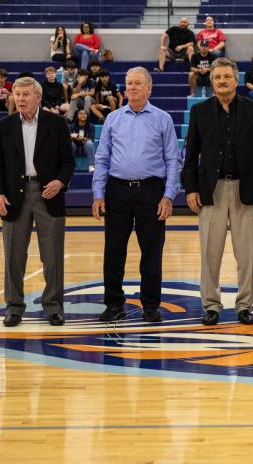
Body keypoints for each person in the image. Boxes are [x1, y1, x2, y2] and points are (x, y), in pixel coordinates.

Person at [184, 58, 253, 326]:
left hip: (245, 189)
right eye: (217, 78)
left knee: (246, 253)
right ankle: (211, 305)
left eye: (226, 77)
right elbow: (191, 156)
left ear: (236, 80)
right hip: (210, 190)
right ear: (211, 82)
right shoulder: (199, 111)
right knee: (210, 252)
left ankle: (244, 305)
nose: (222, 81)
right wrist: (190, 189)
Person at [92, 67, 181, 324]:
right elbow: (102, 158)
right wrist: (98, 193)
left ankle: (151, 306)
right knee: (114, 252)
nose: (131, 87)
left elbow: (173, 160)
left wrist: (168, 196)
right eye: (129, 83)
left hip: (151, 191)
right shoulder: (113, 119)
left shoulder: (162, 119)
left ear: (149, 88)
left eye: (138, 83)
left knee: (152, 252)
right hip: (117, 191)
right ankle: (113, 304)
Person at [0, 76, 74, 327]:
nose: (21, 99)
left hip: (49, 193)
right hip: (14, 196)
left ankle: (54, 307)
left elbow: (68, 162)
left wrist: (60, 182)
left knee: (52, 257)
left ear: (38, 97)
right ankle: (14, 307)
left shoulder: (57, 124)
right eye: (17, 94)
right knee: (14, 257)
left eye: (26, 94)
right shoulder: (3, 127)